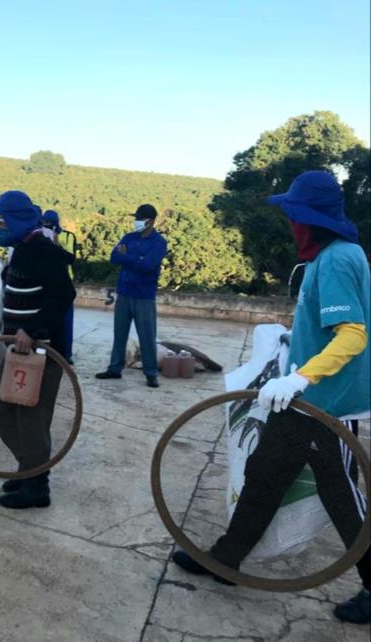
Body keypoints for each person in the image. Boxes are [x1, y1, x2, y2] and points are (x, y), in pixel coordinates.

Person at [171, 171, 371, 625]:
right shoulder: (334, 255)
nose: (289, 224)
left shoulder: (337, 259)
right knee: (265, 474)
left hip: (325, 403)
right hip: (304, 400)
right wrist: (290, 345)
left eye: (293, 215)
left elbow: (353, 335)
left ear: (309, 219)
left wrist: (300, 378)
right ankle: (226, 559)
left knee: (342, 494)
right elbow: (323, 328)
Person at [0, 190, 76, 509]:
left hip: (41, 351)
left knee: (32, 417)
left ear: (19, 220)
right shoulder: (21, 250)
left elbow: (63, 294)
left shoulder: (42, 250)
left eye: (3, 220)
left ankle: (37, 485)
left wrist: (34, 331)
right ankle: (30, 471)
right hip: (18, 349)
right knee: (1, 405)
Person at [95, 204, 167, 387]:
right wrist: (137, 259)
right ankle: (114, 369)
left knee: (147, 336)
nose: (136, 221)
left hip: (144, 295)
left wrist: (128, 257)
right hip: (124, 293)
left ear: (149, 221)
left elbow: (148, 266)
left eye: (139, 218)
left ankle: (151, 374)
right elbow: (114, 257)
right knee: (119, 334)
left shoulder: (158, 242)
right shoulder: (129, 237)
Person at [41, 210, 77, 363]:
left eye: (50, 223)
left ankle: (66, 354)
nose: (47, 226)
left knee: (66, 321)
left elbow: (71, 259)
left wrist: (56, 244)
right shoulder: (40, 236)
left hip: (64, 284)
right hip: (46, 284)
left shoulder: (68, 236)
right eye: (45, 223)